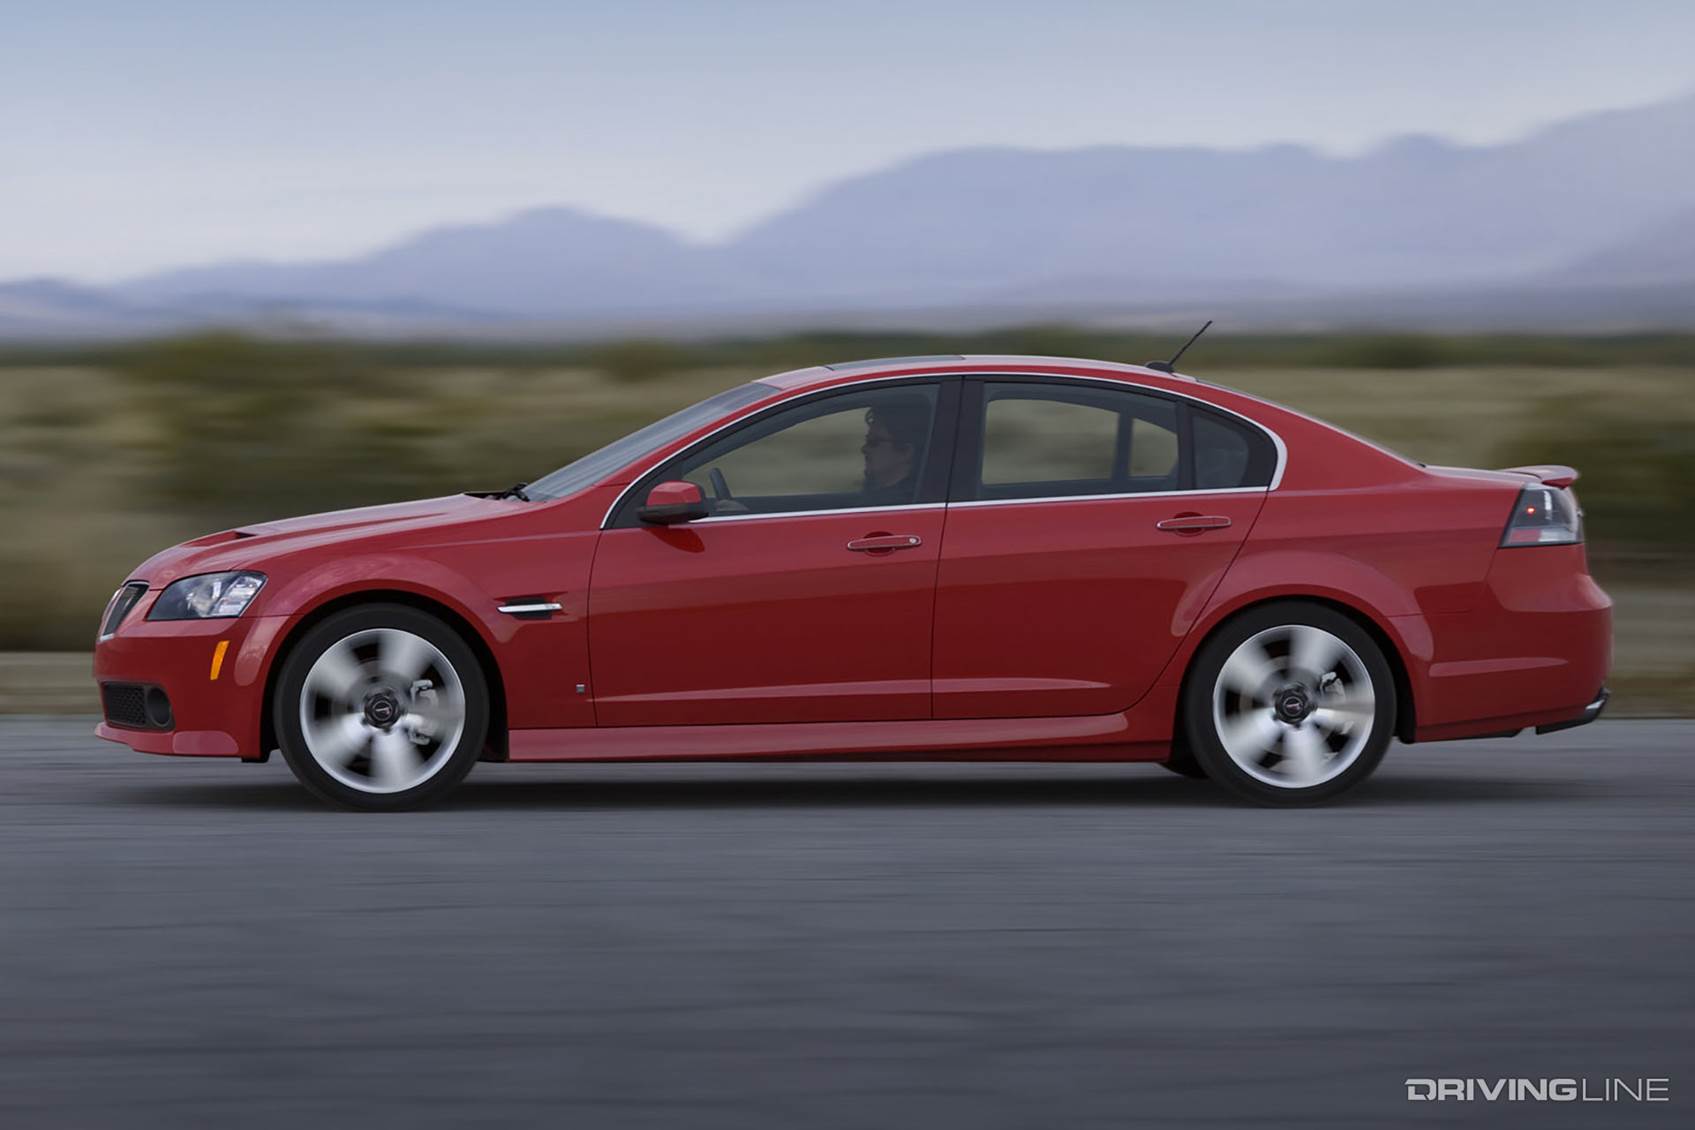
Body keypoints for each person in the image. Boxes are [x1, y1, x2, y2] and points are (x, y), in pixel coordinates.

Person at [860, 394, 931, 505]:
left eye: (874, 443)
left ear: (906, 452)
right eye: (867, 441)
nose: (864, 449)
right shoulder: (875, 496)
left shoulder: (902, 503)